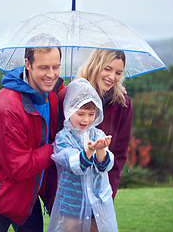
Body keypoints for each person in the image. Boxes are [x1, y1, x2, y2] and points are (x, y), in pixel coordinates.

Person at [0, 34, 64, 232]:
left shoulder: (52, 94)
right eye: (44, 67)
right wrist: (57, 148)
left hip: (27, 196)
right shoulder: (7, 107)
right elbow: (19, 168)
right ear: (27, 64)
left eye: (56, 67)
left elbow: (80, 98)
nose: (51, 74)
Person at [57, 49, 133, 199]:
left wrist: (108, 194)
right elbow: (57, 150)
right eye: (107, 69)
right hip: (68, 194)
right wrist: (53, 194)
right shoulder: (67, 97)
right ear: (95, 66)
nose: (112, 77)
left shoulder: (122, 104)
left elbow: (118, 155)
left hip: (100, 193)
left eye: (118, 73)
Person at [47, 78, 118, 232]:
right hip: (71, 206)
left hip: (96, 206)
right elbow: (74, 164)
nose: (86, 119)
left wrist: (101, 150)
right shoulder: (63, 137)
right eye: (80, 113)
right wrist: (89, 150)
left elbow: (104, 166)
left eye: (91, 114)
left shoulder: (97, 133)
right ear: (69, 110)